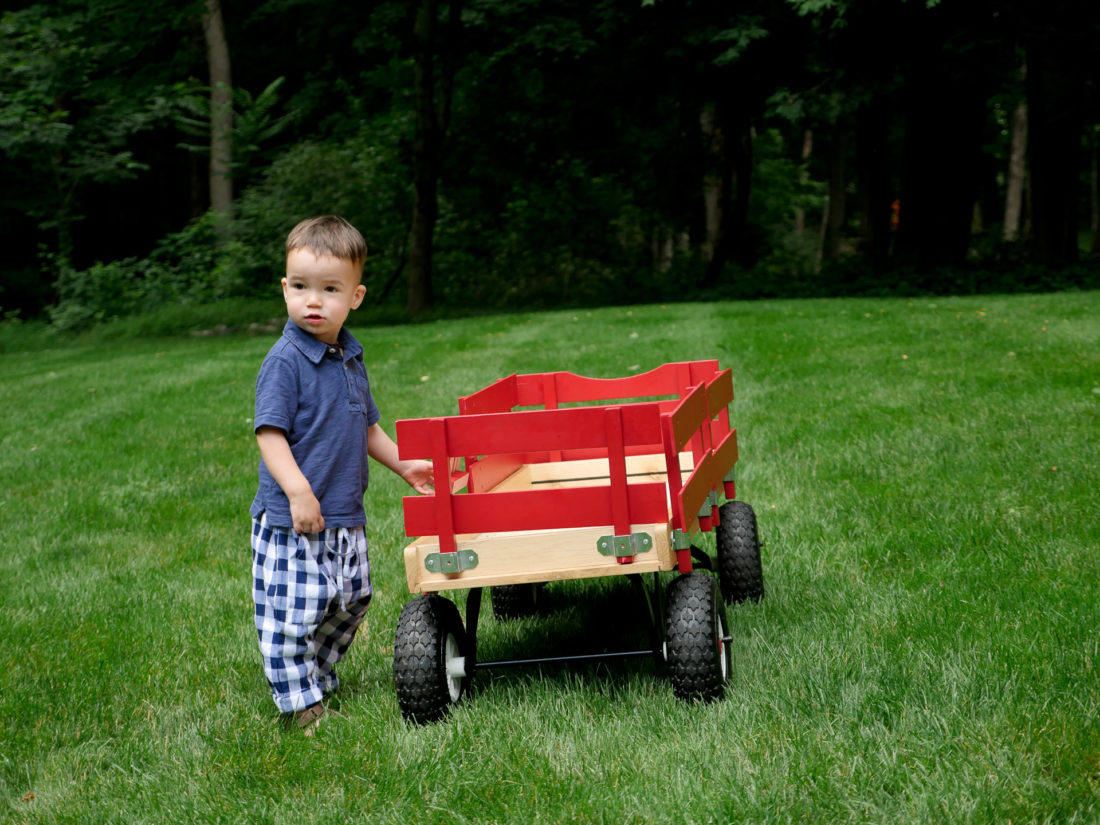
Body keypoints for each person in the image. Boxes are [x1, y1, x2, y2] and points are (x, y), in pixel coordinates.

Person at [249, 215, 433, 733]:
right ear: (285, 288)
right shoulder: (285, 361)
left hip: (344, 511)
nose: (314, 301)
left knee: (352, 598)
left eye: (330, 289)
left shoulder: (349, 357)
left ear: (355, 297)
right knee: (295, 611)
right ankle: (298, 701)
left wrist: (402, 464)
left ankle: (316, 676)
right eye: (301, 287)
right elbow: (270, 435)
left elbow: (365, 424)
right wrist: (298, 490)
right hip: (295, 517)